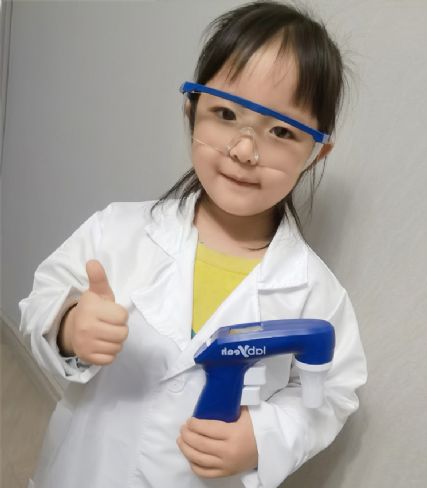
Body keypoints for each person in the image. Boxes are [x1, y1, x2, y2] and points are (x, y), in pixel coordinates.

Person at [18, 2, 367, 487]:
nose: (243, 150)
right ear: (192, 109)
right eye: (225, 113)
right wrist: (69, 325)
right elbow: (42, 301)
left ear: (316, 152)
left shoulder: (315, 293)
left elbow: (332, 392)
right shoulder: (117, 231)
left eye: (281, 131)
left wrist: (264, 437)